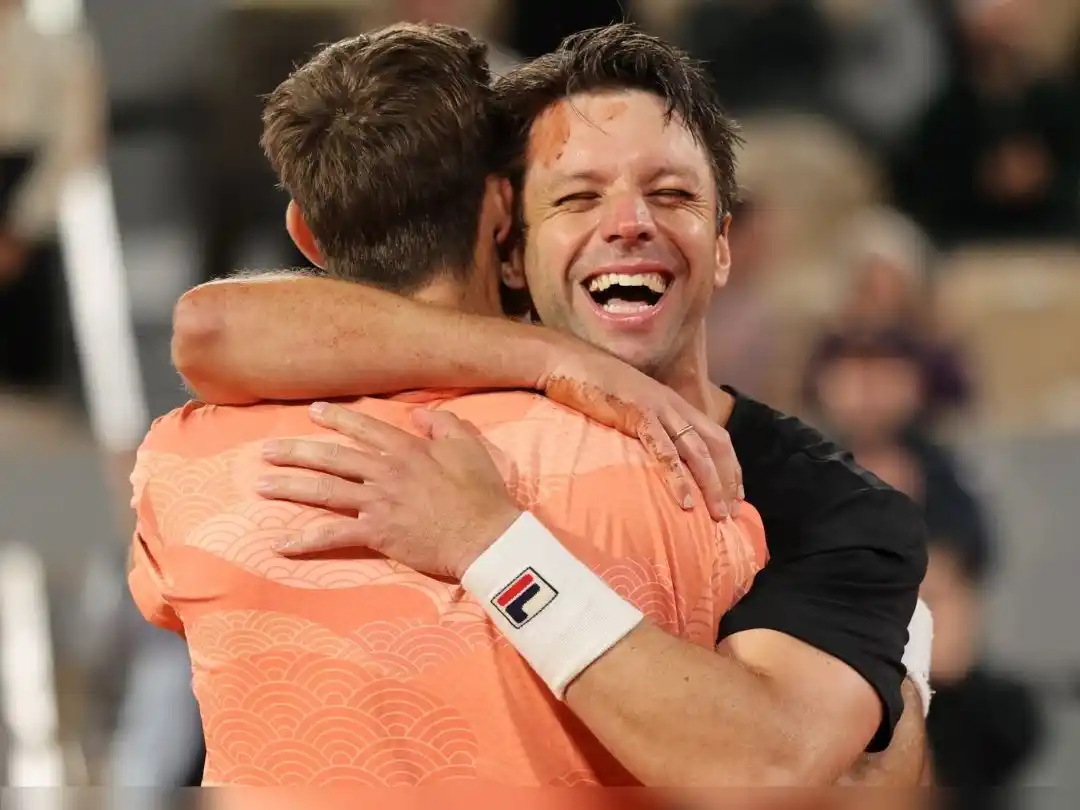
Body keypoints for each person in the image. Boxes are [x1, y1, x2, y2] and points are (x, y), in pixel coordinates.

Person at [172, 24, 932, 785]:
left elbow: (766, 769)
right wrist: (552, 359)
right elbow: (212, 328)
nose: (631, 223)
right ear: (511, 242)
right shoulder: (452, 419)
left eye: (672, 194)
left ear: (723, 244)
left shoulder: (836, 510)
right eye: (578, 196)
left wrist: (489, 546)